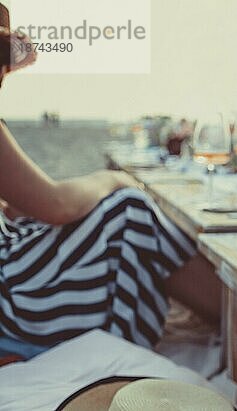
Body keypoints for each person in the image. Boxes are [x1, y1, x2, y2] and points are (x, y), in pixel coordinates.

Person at [0, 3, 213, 360]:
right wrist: (113, 180)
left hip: (11, 277)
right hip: (15, 303)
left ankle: (232, 316)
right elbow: (57, 205)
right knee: (129, 210)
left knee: (119, 218)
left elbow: (21, 203)